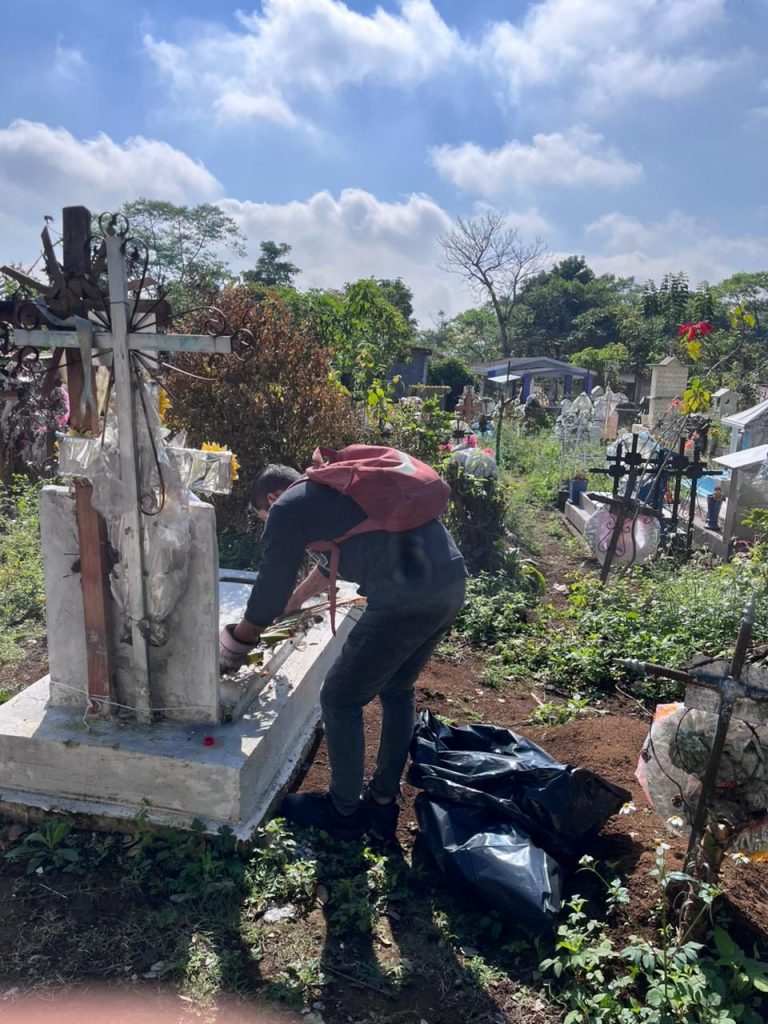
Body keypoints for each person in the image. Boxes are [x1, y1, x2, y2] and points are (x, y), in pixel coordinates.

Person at [219, 460, 467, 842]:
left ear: (272, 497)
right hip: (449, 582)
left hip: (405, 598)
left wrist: (238, 642)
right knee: (397, 688)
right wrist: (294, 603)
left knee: (338, 699)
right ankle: (382, 804)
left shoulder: (286, 507)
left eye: (261, 516)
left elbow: (271, 584)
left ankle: (343, 812)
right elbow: (327, 563)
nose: (266, 522)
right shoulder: (331, 492)